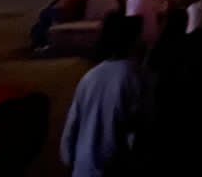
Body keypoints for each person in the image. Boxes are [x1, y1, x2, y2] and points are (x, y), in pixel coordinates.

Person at [60, 13, 144, 177]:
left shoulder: (90, 77)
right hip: (113, 166)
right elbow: (139, 125)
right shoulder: (134, 75)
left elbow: (72, 126)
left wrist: (70, 160)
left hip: (84, 167)